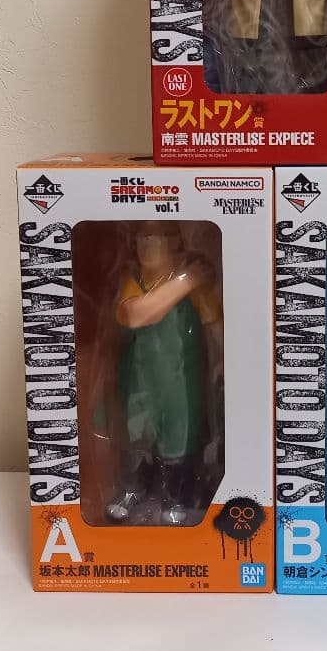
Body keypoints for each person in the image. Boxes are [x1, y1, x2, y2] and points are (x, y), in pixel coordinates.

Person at [105, 222, 220, 526]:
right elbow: (135, 314)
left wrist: (224, 361)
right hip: (139, 379)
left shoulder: (198, 293)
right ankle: (132, 490)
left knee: (179, 438)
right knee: (134, 436)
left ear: (175, 243)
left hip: (182, 381)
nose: (147, 243)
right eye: (142, 235)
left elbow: (214, 325)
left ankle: (176, 496)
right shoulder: (132, 281)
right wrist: (188, 278)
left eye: (156, 236)